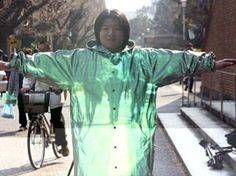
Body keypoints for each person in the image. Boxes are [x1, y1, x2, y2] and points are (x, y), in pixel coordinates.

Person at [0, 9, 236, 176]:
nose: (110, 33)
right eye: (105, 28)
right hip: (95, 149)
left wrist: (207, 63)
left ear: (125, 31)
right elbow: (48, 62)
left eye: (116, 28)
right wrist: (15, 63)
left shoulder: (144, 61)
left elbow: (175, 60)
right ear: (97, 31)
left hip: (131, 148)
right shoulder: (79, 62)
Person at [20, 41, 69, 156]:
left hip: (54, 93)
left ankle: (63, 143)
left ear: (49, 50)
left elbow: (62, 76)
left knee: (56, 119)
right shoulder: (35, 61)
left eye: (43, 50)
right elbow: (30, 75)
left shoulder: (56, 61)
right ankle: (38, 127)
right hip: (40, 92)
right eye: (39, 50)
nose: (41, 52)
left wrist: (59, 87)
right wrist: (25, 87)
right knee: (33, 112)